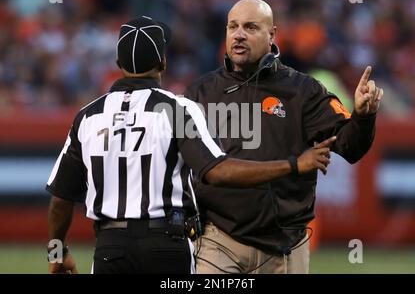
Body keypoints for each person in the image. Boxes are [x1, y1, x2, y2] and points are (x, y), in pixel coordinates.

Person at [46, 16, 335, 274]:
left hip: (111, 246)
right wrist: (295, 164)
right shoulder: (176, 109)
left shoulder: (89, 116)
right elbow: (217, 171)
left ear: (118, 65)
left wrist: (57, 253)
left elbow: (61, 198)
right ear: (163, 62)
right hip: (166, 244)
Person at [184, 0, 384, 274]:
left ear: (271, 35)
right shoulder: (199, 93)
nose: (239, 34)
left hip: (285, 245)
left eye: (251, 27)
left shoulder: (302, 90)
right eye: (233, 26)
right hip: (218, 241)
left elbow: (350, 147)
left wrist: (363, 116)